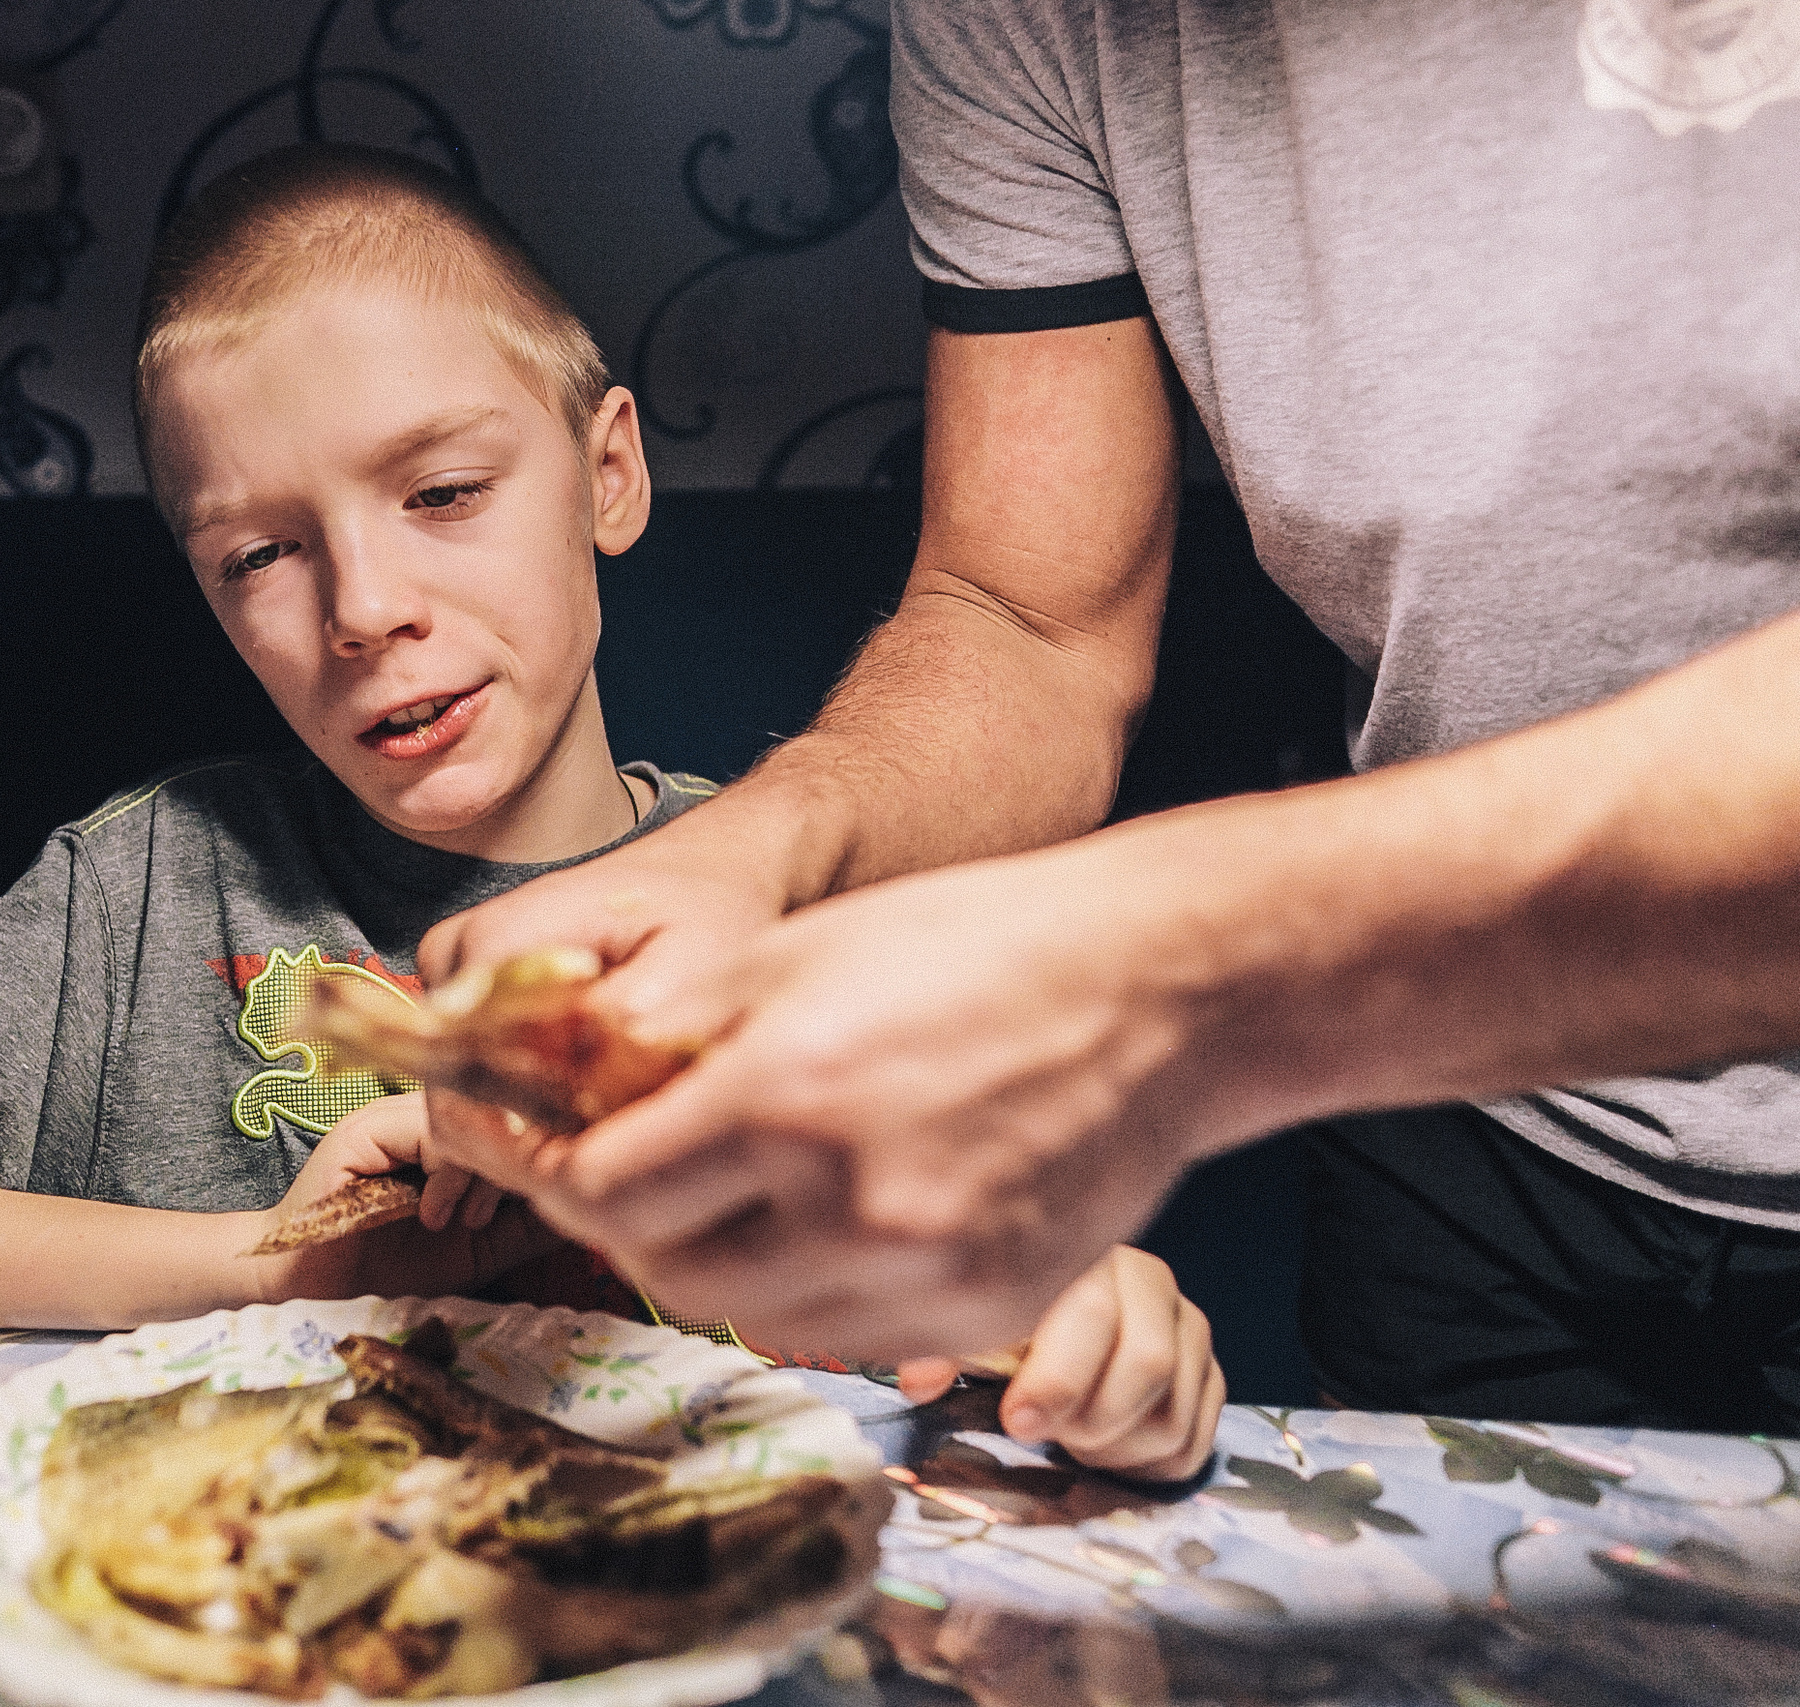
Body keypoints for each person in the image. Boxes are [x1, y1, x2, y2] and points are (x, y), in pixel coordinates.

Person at [0, 144, 1227, 1479]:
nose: (367, 609)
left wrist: (1098, 1339)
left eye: (443, 492)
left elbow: (1011, 1310)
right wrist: (268, 1266)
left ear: (608, 475)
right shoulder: (139, 898)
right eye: (261, 554)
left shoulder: (815, 923)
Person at [421, 3, 1800, 1432]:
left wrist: (1169, 974)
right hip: (1460, 1123)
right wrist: (756, 853)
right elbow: (1034, 621)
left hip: (1388, 995)